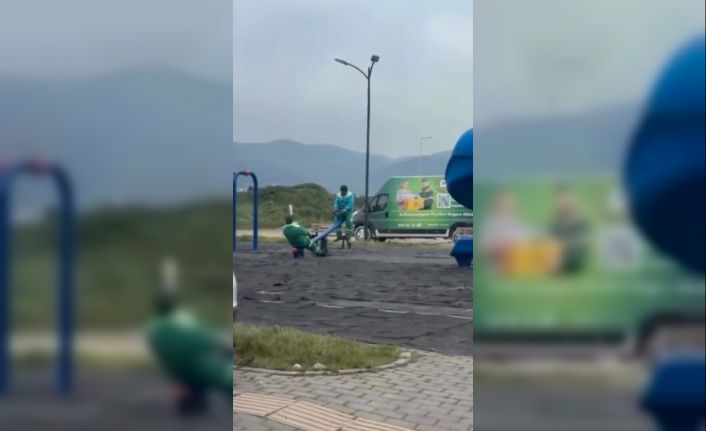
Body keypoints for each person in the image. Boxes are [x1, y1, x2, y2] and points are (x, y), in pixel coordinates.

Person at [146, 279, 231, 416]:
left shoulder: (154, 328)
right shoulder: (182, 321)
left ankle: (190, 395)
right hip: (199, 364)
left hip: (177, 370)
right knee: (226, 374)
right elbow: (205, 339)